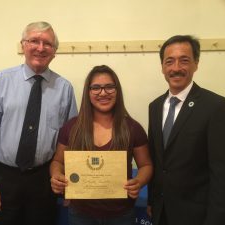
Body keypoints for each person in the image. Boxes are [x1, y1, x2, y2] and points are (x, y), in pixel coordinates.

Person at [0, 21, 77, 225]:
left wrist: (72, 183)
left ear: (54, 51)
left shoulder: (65, 89)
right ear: (23, 45)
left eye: (47, 43)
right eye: (34, 41)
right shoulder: (0, 81)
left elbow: (71, 142)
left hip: (44, 181)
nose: (40, 48)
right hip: (5, 179)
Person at [147, 35, 225, 225]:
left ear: (196, 63)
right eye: (169, 61)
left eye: (184, 60)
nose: (176, 68)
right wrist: (151, 201)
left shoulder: (217, 107)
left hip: (198, 217)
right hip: (161, 213)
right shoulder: (155, 106)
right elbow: (157, 160)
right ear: (162, 67)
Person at [50, 65, 153, 225]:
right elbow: (57, 161)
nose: (103, 93)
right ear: (88, 92)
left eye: (109, 87)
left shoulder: (132, 128)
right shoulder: (72, 127)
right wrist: (56, 176)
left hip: (121, 213)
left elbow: (146, 165)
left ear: (117, 91)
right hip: (81, 212)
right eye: (96, 88)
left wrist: (139, 181)